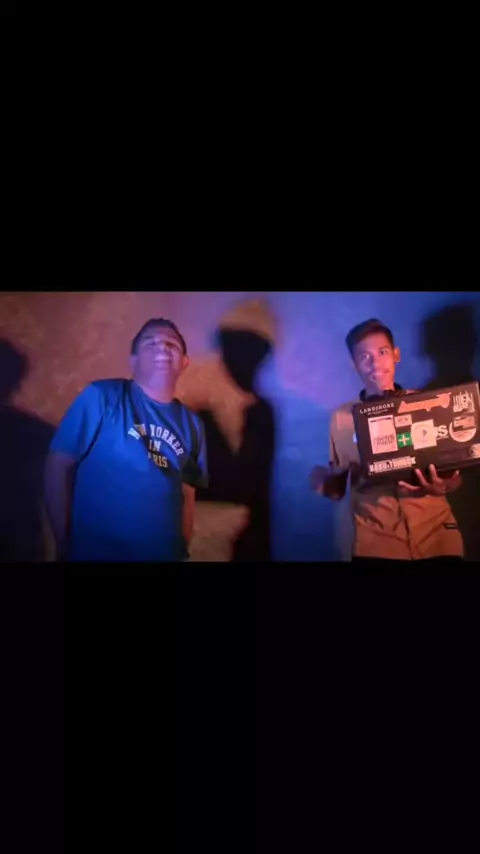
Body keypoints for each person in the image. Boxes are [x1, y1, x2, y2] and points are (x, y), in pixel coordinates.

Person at [44, 318, 208, 561]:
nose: (162, 348)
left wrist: (181, 548)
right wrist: (63, 540)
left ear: (184, 362)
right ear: (133, 359)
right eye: (150, 343)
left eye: (171, 344)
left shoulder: (193, 423)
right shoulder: (102, 396)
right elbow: (58, 463)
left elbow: (187, 492)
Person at [310, 318, 464, 562]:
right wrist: (323, 480)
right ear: (354, 365)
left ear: (396, 355)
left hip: (437, 538)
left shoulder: (429, 404)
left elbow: (455, 478)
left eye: (382, 352)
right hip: (377, 543)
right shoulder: (341, 419)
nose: (375, 364)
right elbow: (337, 489)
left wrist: (441, 486)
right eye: (365, 357)